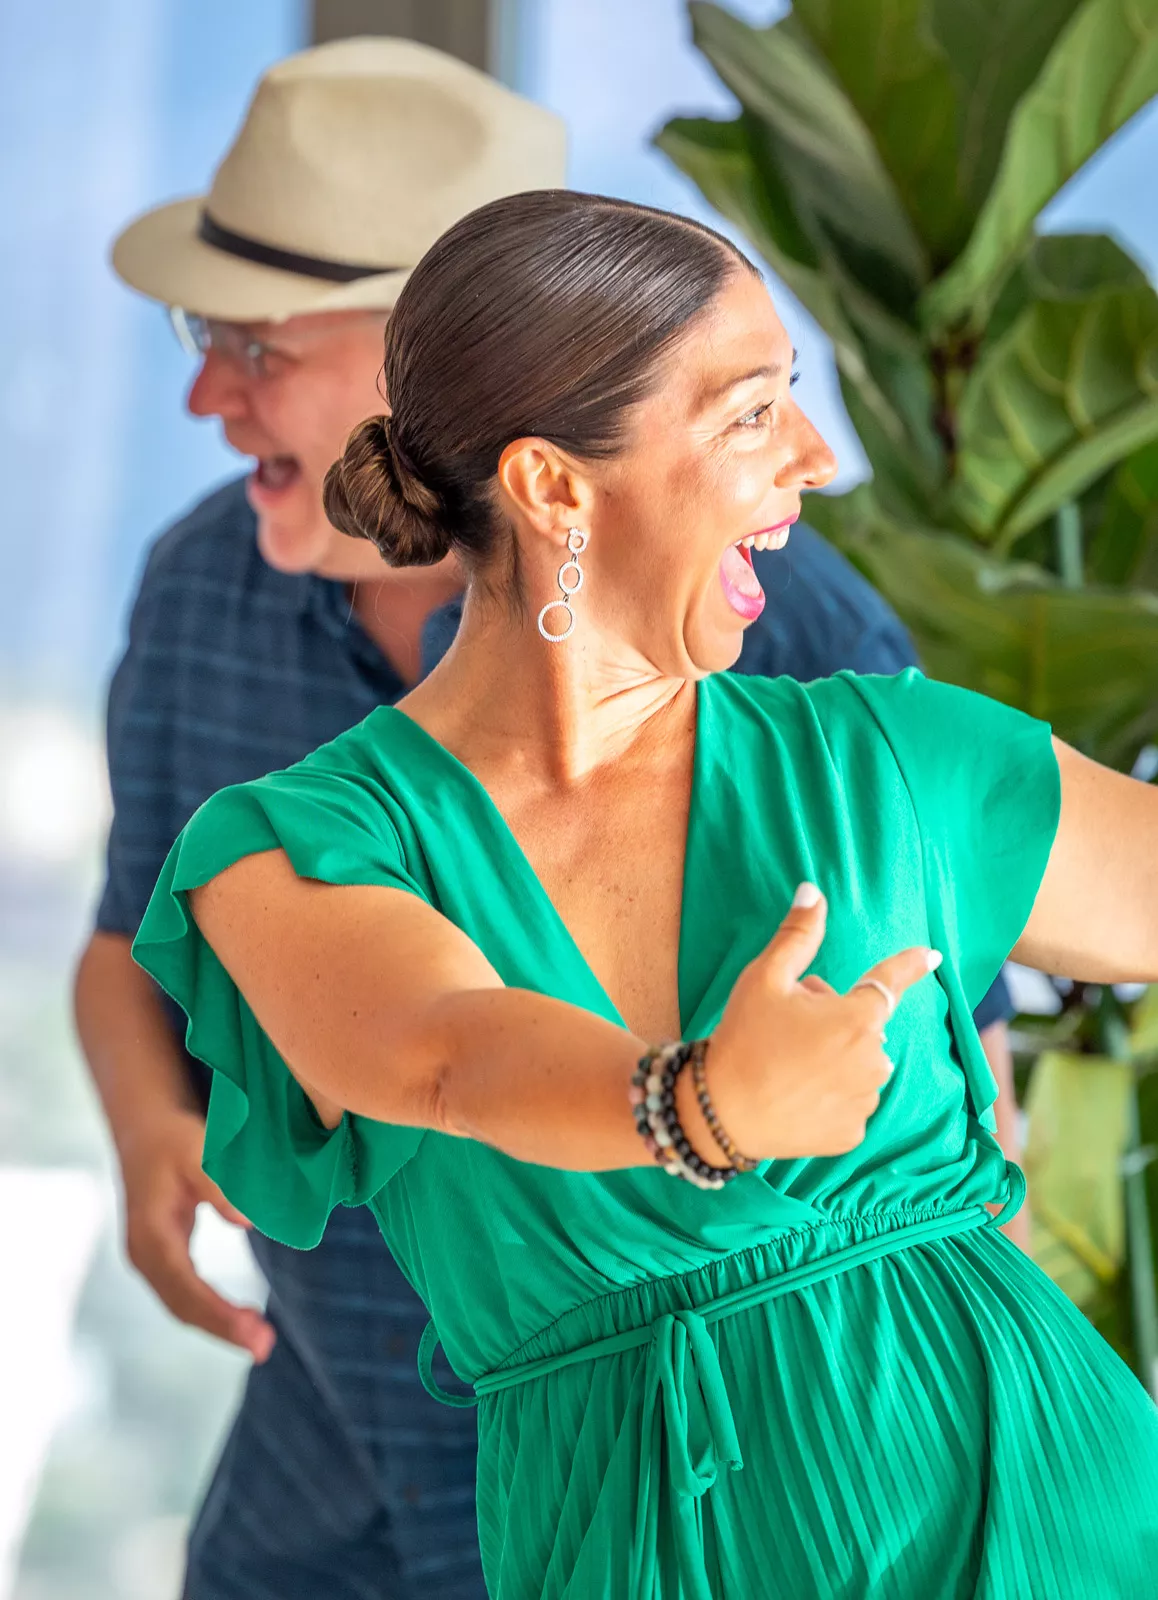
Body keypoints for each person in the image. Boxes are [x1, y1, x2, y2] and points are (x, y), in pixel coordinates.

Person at [133, 191, 1158, 1597]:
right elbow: (442, 1050)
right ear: (555, 484)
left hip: (1036, 1523)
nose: (809, 459)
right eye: (749, 413)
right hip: (631, 1543)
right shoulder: (291, 848)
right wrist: (700, 1107)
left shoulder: (900, 764)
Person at [73, 39, 564, 1600]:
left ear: (455, 368)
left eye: (257, 346)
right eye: (202, 335)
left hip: (625, 1463)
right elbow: (127, 940)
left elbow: (937, 1101)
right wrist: (152, 1128)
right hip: (320, 1427)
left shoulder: (768, 628)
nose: (205, 395)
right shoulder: (200, 578)